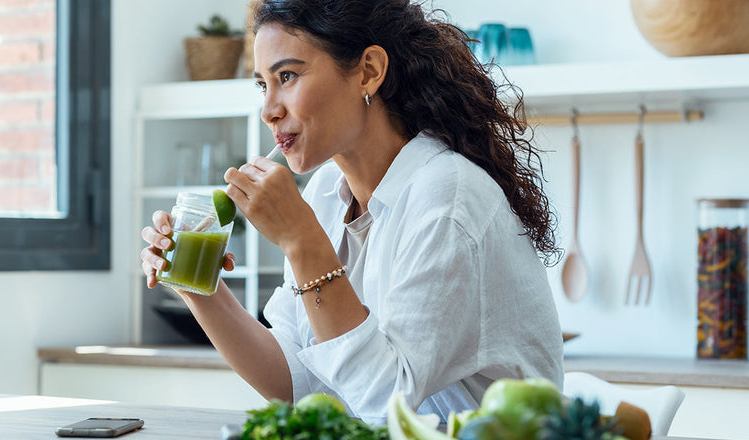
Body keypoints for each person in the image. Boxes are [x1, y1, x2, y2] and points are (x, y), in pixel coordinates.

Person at [140, 0, 563, 424]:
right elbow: (297, 379)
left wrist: (302, 242)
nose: (269, 109)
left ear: (368, 72)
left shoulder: (447, 199)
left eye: (287, 76)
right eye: (261, 84)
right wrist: (199, 287)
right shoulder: (326, 191)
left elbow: (387, 406)